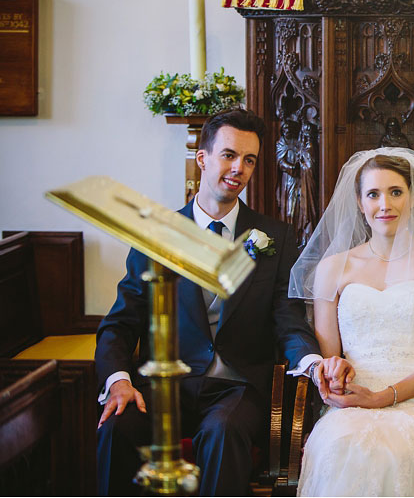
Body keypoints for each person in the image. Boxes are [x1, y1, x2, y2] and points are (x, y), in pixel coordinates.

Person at [94, 109, 343, 495]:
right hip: (164, 387)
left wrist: (311, 363)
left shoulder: (273, 237)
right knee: (117, 426)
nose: (238, 168)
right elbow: (120, 323)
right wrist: (118, 381)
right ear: (202, 158)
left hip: (237, 389)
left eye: (249, 160)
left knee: (223, 430)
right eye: (228, 155)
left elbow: (287, 319)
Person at [287, 147, 414, 497]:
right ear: (359, 202)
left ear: (413, 197)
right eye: (373, 194)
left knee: (395, 449)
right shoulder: (333, 269)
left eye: (396, 192)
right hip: (351, 401)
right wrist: (337, 380)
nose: (385, 205)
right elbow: (330, 356)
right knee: (338, 445)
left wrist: (382, 398)